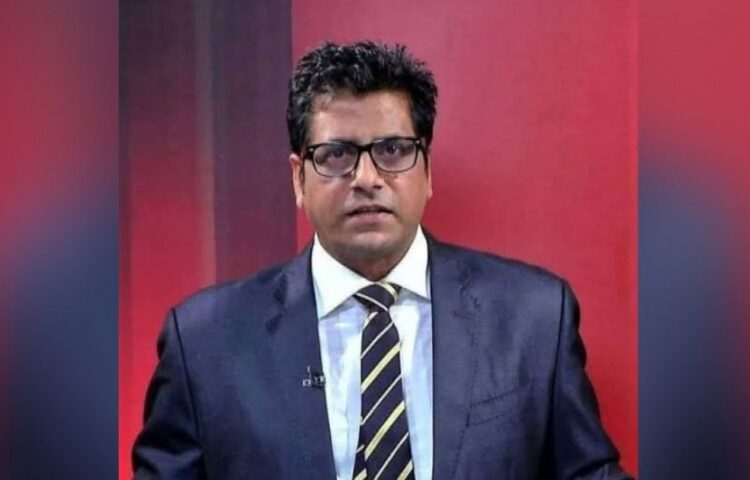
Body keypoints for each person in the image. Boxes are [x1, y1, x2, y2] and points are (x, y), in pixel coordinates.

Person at [132, 41, 632, 480]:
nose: (367, 178)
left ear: (427, 171)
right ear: (298, 178)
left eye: (393, 150)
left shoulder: (533, 319)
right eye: (336, 155)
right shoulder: (205, 342)